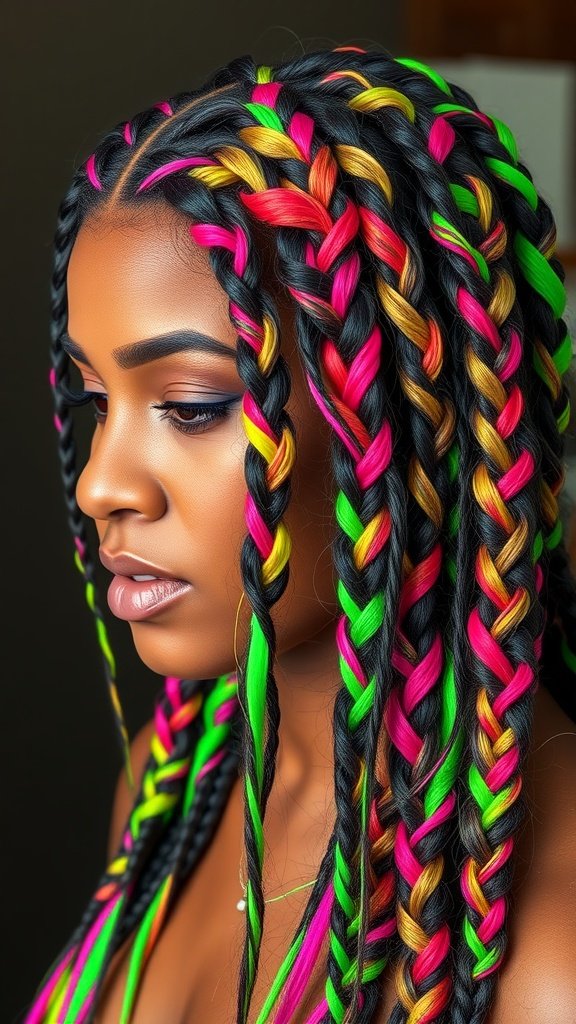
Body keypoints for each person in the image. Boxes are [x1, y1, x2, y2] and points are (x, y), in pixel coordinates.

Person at [24, 44, 576, 1024]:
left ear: (409, 419)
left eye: (191, 404)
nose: (105, 482)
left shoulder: (553, 944)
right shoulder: (171, 786)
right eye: (94, 399)